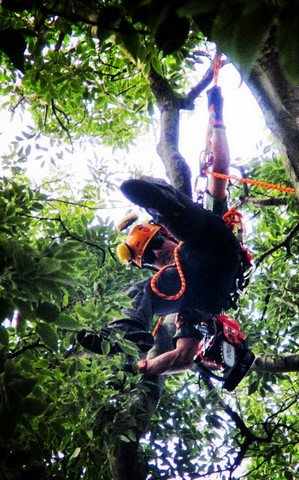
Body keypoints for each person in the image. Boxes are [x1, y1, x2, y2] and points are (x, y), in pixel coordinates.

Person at [77, 87, 248, 378]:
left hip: (216, 253)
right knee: (141, 290)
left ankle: (166, 207)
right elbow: (183, 357)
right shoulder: (181, 299)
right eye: (149, 257)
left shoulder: (200, 228)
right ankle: (127, 331)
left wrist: (216, 118)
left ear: (164, 235)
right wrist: (142, 369)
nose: (157, 253)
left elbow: (220, 168)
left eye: (156, 242)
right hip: (206, 294)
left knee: (194, 226)